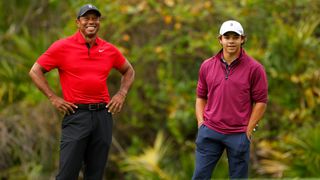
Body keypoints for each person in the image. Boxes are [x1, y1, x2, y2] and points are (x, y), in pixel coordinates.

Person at [29, 4, 135, 180]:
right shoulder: (62, 46)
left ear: (99, 22)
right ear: (78, 22)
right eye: (86, 18)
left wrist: (121, 93)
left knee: (95, 174)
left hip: (103, 115)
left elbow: (129, 71)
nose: (91, 22)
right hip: (77, 114)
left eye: (95, 18)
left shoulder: (109, 49)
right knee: (67, 175)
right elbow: (35, 71)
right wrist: (53, 98)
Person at [192, 20, 268, 179]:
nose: (231, 41)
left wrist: (248, 130)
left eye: (235, 37)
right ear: (220, 40)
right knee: (199, 176)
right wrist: (201, 123)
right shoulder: (207, 66)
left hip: (238, 134)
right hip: (210, 132)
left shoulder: (255, 68)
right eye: (227, 37)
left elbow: (261, 102)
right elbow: (200, 97)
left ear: (243, 39)